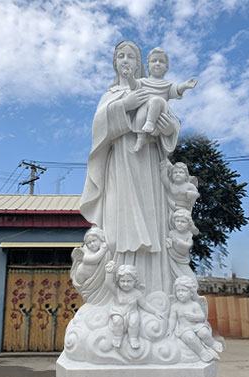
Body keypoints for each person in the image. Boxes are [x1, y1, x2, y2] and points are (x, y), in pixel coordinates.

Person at [81, 40, 184, 294]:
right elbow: (98, 128)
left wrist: (167, 127)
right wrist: (124, 106)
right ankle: (118, 284)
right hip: (121, 164)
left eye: (131, 57)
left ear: (139, 64)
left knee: (153, 220)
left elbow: (171, 126)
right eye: (121, 56)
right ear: (115, 63)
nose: (126, 60)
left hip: (148, 163)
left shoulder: (151, 91)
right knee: (120, 220)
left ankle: (158, 290)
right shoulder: (110, 96)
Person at [132, 47, 197, 152]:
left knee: (156, 100)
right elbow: (133, 86)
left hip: (160, 109)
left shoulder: (167, 84)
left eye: (161, 61)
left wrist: (185, 85)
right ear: (148, 65)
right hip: (145, 107)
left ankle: (150, 122)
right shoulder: (142, 82)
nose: (157, 63)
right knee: (140, 115)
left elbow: (176, 90)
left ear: (166, 67)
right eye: (154, 61)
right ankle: (141, 138)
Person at [105, 261, 164, 349]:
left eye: (129, 281)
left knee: (134, 322)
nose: (125, 284)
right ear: (118, 281)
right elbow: (108, 283)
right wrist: (109, 272)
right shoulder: (117, 291)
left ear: (135, 281)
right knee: (117, 320)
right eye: (122, 281)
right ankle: (118, 337)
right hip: (119, 311)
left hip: (132, 312)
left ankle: (133, 338)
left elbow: (144, 305)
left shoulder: (137, 293)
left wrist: (155, 312)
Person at [166, 275, 223, 362]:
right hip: (184, 329)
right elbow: (172, 319)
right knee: (190, 337)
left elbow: (202, 317)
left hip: (197, 326)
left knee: (204, 333)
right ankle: (202, 352)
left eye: (184, 290)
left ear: (192, 293)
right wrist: (170, 330)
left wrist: (194, 317)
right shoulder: (175, 306)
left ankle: (212, 343)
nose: (180, 293)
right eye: (178, 291)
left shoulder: (194, 305)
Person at [70, 227, 112, 305]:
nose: (92, 244)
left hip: (93, 281)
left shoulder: (106, 253)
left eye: (94, 241)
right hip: (84, 281)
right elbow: (94, 259)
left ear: (101, 239)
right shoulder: (87, 253)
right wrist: (103, 250)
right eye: (89, 242)